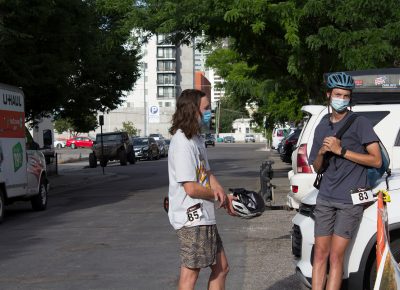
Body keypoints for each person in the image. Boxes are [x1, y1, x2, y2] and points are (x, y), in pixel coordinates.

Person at [309, 72, 382, 290]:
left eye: (346, 95)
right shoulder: (322, 124)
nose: (342, 98)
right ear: (328, 95)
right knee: (320, 254)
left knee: (335, 257)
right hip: (325, 198)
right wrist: (322, 152)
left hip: (349, 201)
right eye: (338, 94)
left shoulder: (360, 123)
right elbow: (316, 166)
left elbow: (376, 160)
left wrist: (341, 151)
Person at [167, 89, 236, 290]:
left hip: (203, 216)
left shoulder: (196, 139)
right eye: (206, 108)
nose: (209, 113)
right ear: (192, 109)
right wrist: (219, 196)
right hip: (191, 218)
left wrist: (224, 196)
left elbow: (206, 173)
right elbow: (191, 188)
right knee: (190, 275)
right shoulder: (182, 142)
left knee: (221, 268)